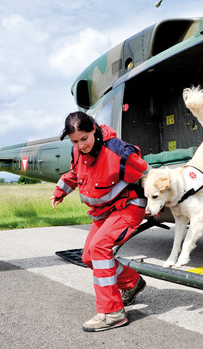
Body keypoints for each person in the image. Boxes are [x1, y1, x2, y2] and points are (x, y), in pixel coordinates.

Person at [51, 111, 150, 332]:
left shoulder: (118, 151)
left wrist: (158, 203)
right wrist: (60, 191)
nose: (81, 145)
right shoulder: (77, 152)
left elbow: (148, 175)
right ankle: (132, 282)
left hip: (129, 206)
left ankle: (112, 312)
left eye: (84, 138)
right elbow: (75, 174)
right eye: (75, 141)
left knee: (99, 248)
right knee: (88, 257)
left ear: (94, 129)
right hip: (104, 211)